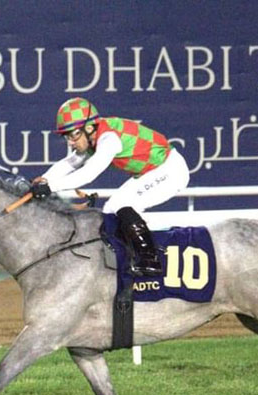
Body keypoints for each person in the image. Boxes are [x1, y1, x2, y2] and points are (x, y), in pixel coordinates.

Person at [31, 97, 190, 275]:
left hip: (170, 170)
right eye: (67, 136)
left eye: (73, 135)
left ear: (89, 128)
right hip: (152, 171)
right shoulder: (94, 136)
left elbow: (89, 174)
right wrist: (44, 180)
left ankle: (151, 260)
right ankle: (128, 257)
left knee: (123, 205)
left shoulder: (109, 139)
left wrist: (50, 187)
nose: (70, 142)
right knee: (110, 209)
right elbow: (70, 162)